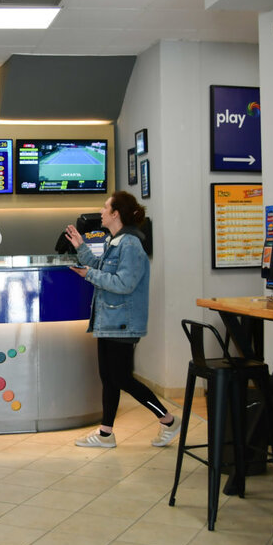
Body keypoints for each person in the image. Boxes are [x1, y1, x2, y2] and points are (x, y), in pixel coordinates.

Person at [65, 191, 179, 449]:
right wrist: (81, 248)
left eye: (105, 207)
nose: (101, 211)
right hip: (109, 321)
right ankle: (106, 434)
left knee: (122, 379)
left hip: (122, 323)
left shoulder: (130, 245)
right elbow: (101, 268)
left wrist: (89, 274)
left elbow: (124, 283)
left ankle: (168, 420)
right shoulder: (115, 242)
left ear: (116, 214)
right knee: (109, 378)